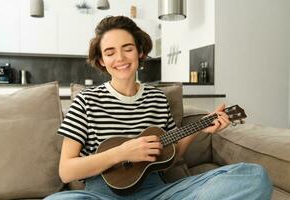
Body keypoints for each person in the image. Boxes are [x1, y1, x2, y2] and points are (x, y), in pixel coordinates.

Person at [45, 16, 272, 200]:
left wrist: (202, 128)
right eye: (110, 52)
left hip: (158, 192)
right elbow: (67, 170)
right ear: (102, 60)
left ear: (140, 52)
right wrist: (122, 153)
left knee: (254, 176)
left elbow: (171, 154)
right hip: (103, 195)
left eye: (128, 49)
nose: (120, 58)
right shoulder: (85, 100)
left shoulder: (157, 98)